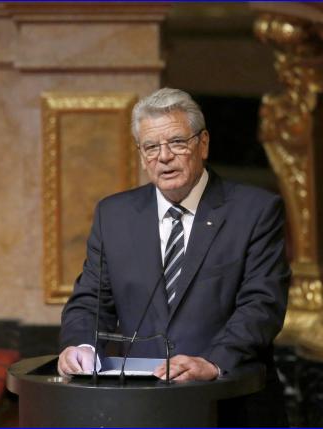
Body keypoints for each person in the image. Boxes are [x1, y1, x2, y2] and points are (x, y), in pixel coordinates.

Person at [58, 87, 290, 426]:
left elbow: (263, 304)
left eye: (177, 142)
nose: (164, 156)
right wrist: (82, 347)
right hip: (139, 405)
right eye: (151, 147)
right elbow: (90, 301)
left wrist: (213, 362)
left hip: (228, 403)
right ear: (141, 155)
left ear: (203, 143)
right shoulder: (115, 215)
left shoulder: (254, 211)